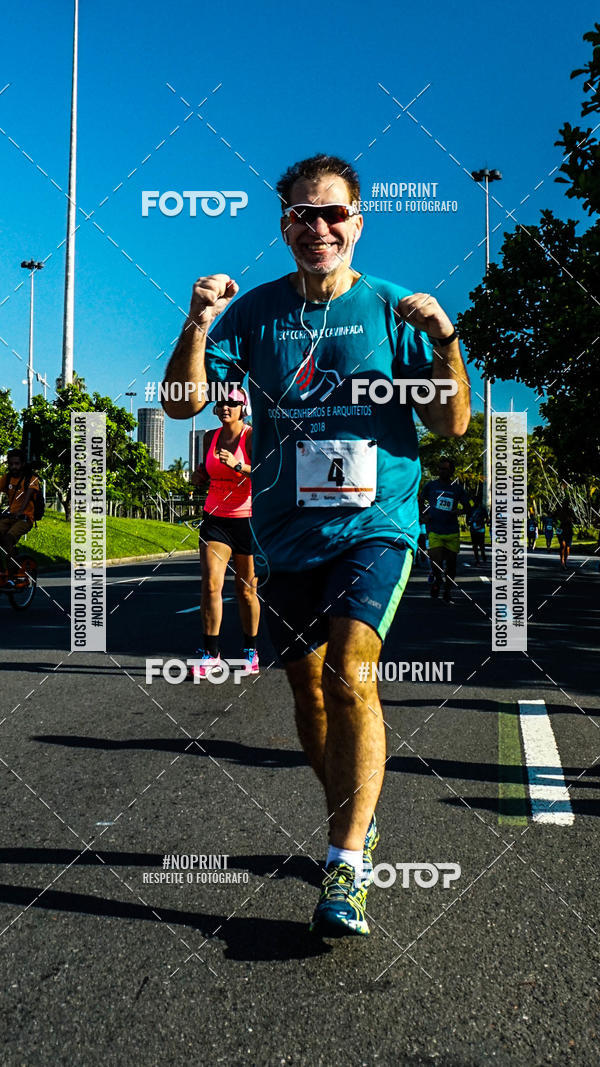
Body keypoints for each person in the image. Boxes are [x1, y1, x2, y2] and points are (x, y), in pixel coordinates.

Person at [161, 153, 470, 938]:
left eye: (334, 214)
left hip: (377, 525)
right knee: (308, 694)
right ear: (285, 226)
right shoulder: (255, 314)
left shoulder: (395, 309)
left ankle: (345, 867)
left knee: (352, 675)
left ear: (358, 224)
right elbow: (180, 402)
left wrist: (445, 341)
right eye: (304, 213)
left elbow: (452, 424)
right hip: (286, 536)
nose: (319, 226)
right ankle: (353, 820)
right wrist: (196, 321)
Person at [189, 387, 259, 676]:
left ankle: (250, 650)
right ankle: (211, 653)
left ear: (244, 407)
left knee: (245, 591)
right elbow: (205, 471)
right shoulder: (210, 437)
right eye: (222, 403)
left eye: (233, 402)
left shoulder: (251, 436)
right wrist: (199, 475)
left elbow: (267, 472)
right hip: (215, 517)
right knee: (210, 585)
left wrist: (239, 465)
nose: (226, 406)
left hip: (247, 518)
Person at [420, 458, 471, 602]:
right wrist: (423, 514)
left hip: (452, 531)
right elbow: (420, 500)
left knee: (451, 564)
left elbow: (467, 507)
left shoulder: (457, 489)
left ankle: (448, 590)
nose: (442, 471)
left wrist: (459, 512)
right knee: (435, 561)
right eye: (440, 468)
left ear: (451, 471)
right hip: (435, 530)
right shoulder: (431, 485)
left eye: (445, 469)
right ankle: (437, 579)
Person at [0, 448, 40, 586]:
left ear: (23, 464)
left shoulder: (32, 479)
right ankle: (4, 568)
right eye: (11, 464)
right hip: (9, 517)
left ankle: (12, 574)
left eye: (17, 464)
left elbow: (27, 497)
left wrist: (20, 512)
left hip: (25, 518)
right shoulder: (7, 478)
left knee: (8, 538)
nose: (13, 467)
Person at [555, 498, 575, 570]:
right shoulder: (559, 511)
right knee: (562, 545)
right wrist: (557, 523)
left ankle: (565, 561)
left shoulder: (570, 511)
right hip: (561, 530)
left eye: (567, 503)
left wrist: (570, 519)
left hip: (569, 530)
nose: (565, 505)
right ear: (562, 503)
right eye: (564, 503)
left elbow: (575, 519)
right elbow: (553, 518)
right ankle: (562, 561)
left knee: (567, 548)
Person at [468, 501, 488, 565]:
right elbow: (467, 519)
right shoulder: (471, 509)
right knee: (476, 545)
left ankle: (482, 555)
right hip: (474, 530)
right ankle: (477, 559)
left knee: (479, 545)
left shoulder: (482, 509)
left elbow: (487, 518)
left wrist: (483, 522)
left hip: (479, 529)